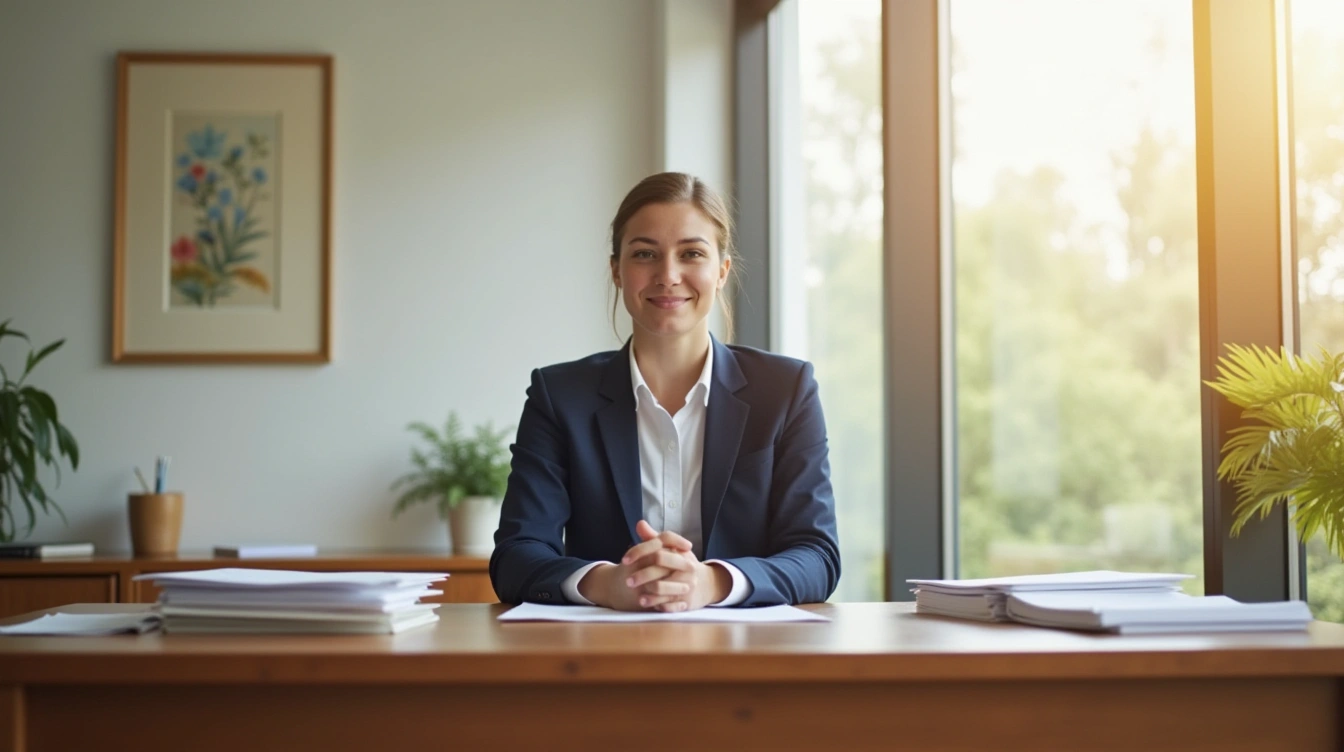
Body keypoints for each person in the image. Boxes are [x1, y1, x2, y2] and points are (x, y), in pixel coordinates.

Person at [490, 172, 840, 611]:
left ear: (722, 270)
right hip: (602, 659)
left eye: (692, 253)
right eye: (644, 254)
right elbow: (516, 557)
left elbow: (817, 556)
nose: (668, 275)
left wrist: (711, 583)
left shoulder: (787, 391)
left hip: (749, 658)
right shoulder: (559, 396)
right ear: (617, 270)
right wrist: (609, 583)